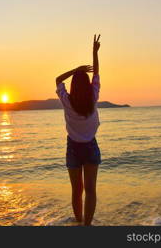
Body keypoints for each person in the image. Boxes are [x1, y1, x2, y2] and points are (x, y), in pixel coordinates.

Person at [55, 34, 101, 226]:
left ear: (73, 84)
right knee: (90, 190)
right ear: (87, 85)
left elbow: (58, 79)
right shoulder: (93, 97)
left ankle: (78, 221)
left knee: (77, 190)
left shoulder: (67, 101)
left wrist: (76, 70)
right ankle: (87, 227)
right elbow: (97, 74)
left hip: (73, 147)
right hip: (90, 146)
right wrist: (94, 53)